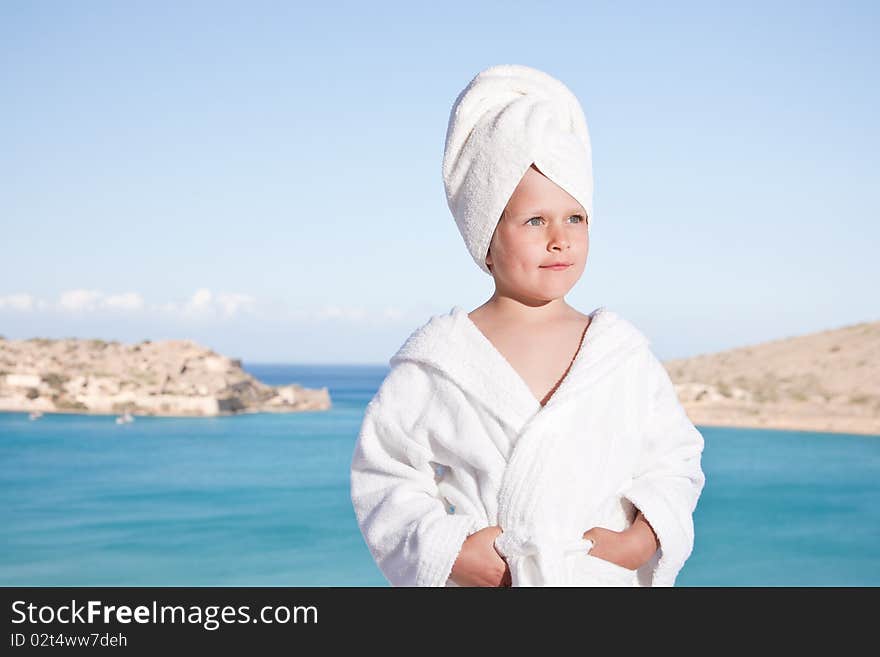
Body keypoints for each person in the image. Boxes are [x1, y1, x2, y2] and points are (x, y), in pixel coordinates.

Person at [349, 64, 706, 587]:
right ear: (486, 237)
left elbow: (675, 459)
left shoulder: (620, 354)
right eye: (535, 220)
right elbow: (385, 473)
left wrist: (644, 537)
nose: (560, 238)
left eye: (576, 218)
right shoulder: (441, 359)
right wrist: (448, 551)